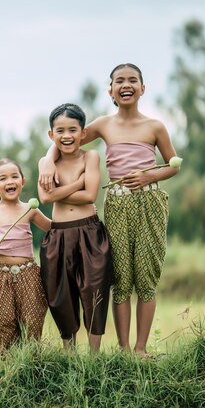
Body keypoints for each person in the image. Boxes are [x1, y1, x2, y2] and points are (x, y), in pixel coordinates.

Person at [39, 63, 180, 356]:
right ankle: (125, 349)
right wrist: (46, 162)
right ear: (111, 90)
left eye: (132, 80)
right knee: (121, 278)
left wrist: (148, 176)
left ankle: (141, 349)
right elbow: (69, 138)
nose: (125, 84)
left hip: (149, 202)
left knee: (146, 275)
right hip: (116, 203)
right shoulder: (104, 124)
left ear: (143, 88)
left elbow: (172, 165)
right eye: (119, 81)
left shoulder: (155, 126)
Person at [37, 103, 113, 353]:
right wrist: (76, 184)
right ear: (51, 135)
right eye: (60, 130)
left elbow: (90, 195)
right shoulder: (46, 163)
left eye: (73, 129)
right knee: (60, 295)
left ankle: (93, 357)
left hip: (89, 233)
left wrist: (61, 191)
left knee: (94, 292)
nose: (66, 136)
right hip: (58, 234)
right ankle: (69, 355)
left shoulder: (90, 156)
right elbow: (45, 199)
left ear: (83, 132)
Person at [0, 158, 52, 354]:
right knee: (1, 321)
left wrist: (76, 213)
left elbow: (52, 227)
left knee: (33, 318)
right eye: (3, 178)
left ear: (23, 181)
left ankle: (32, 362)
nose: (9, 181)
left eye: (14, 176)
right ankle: (9, 363)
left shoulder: (30, 209)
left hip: (28, 275)